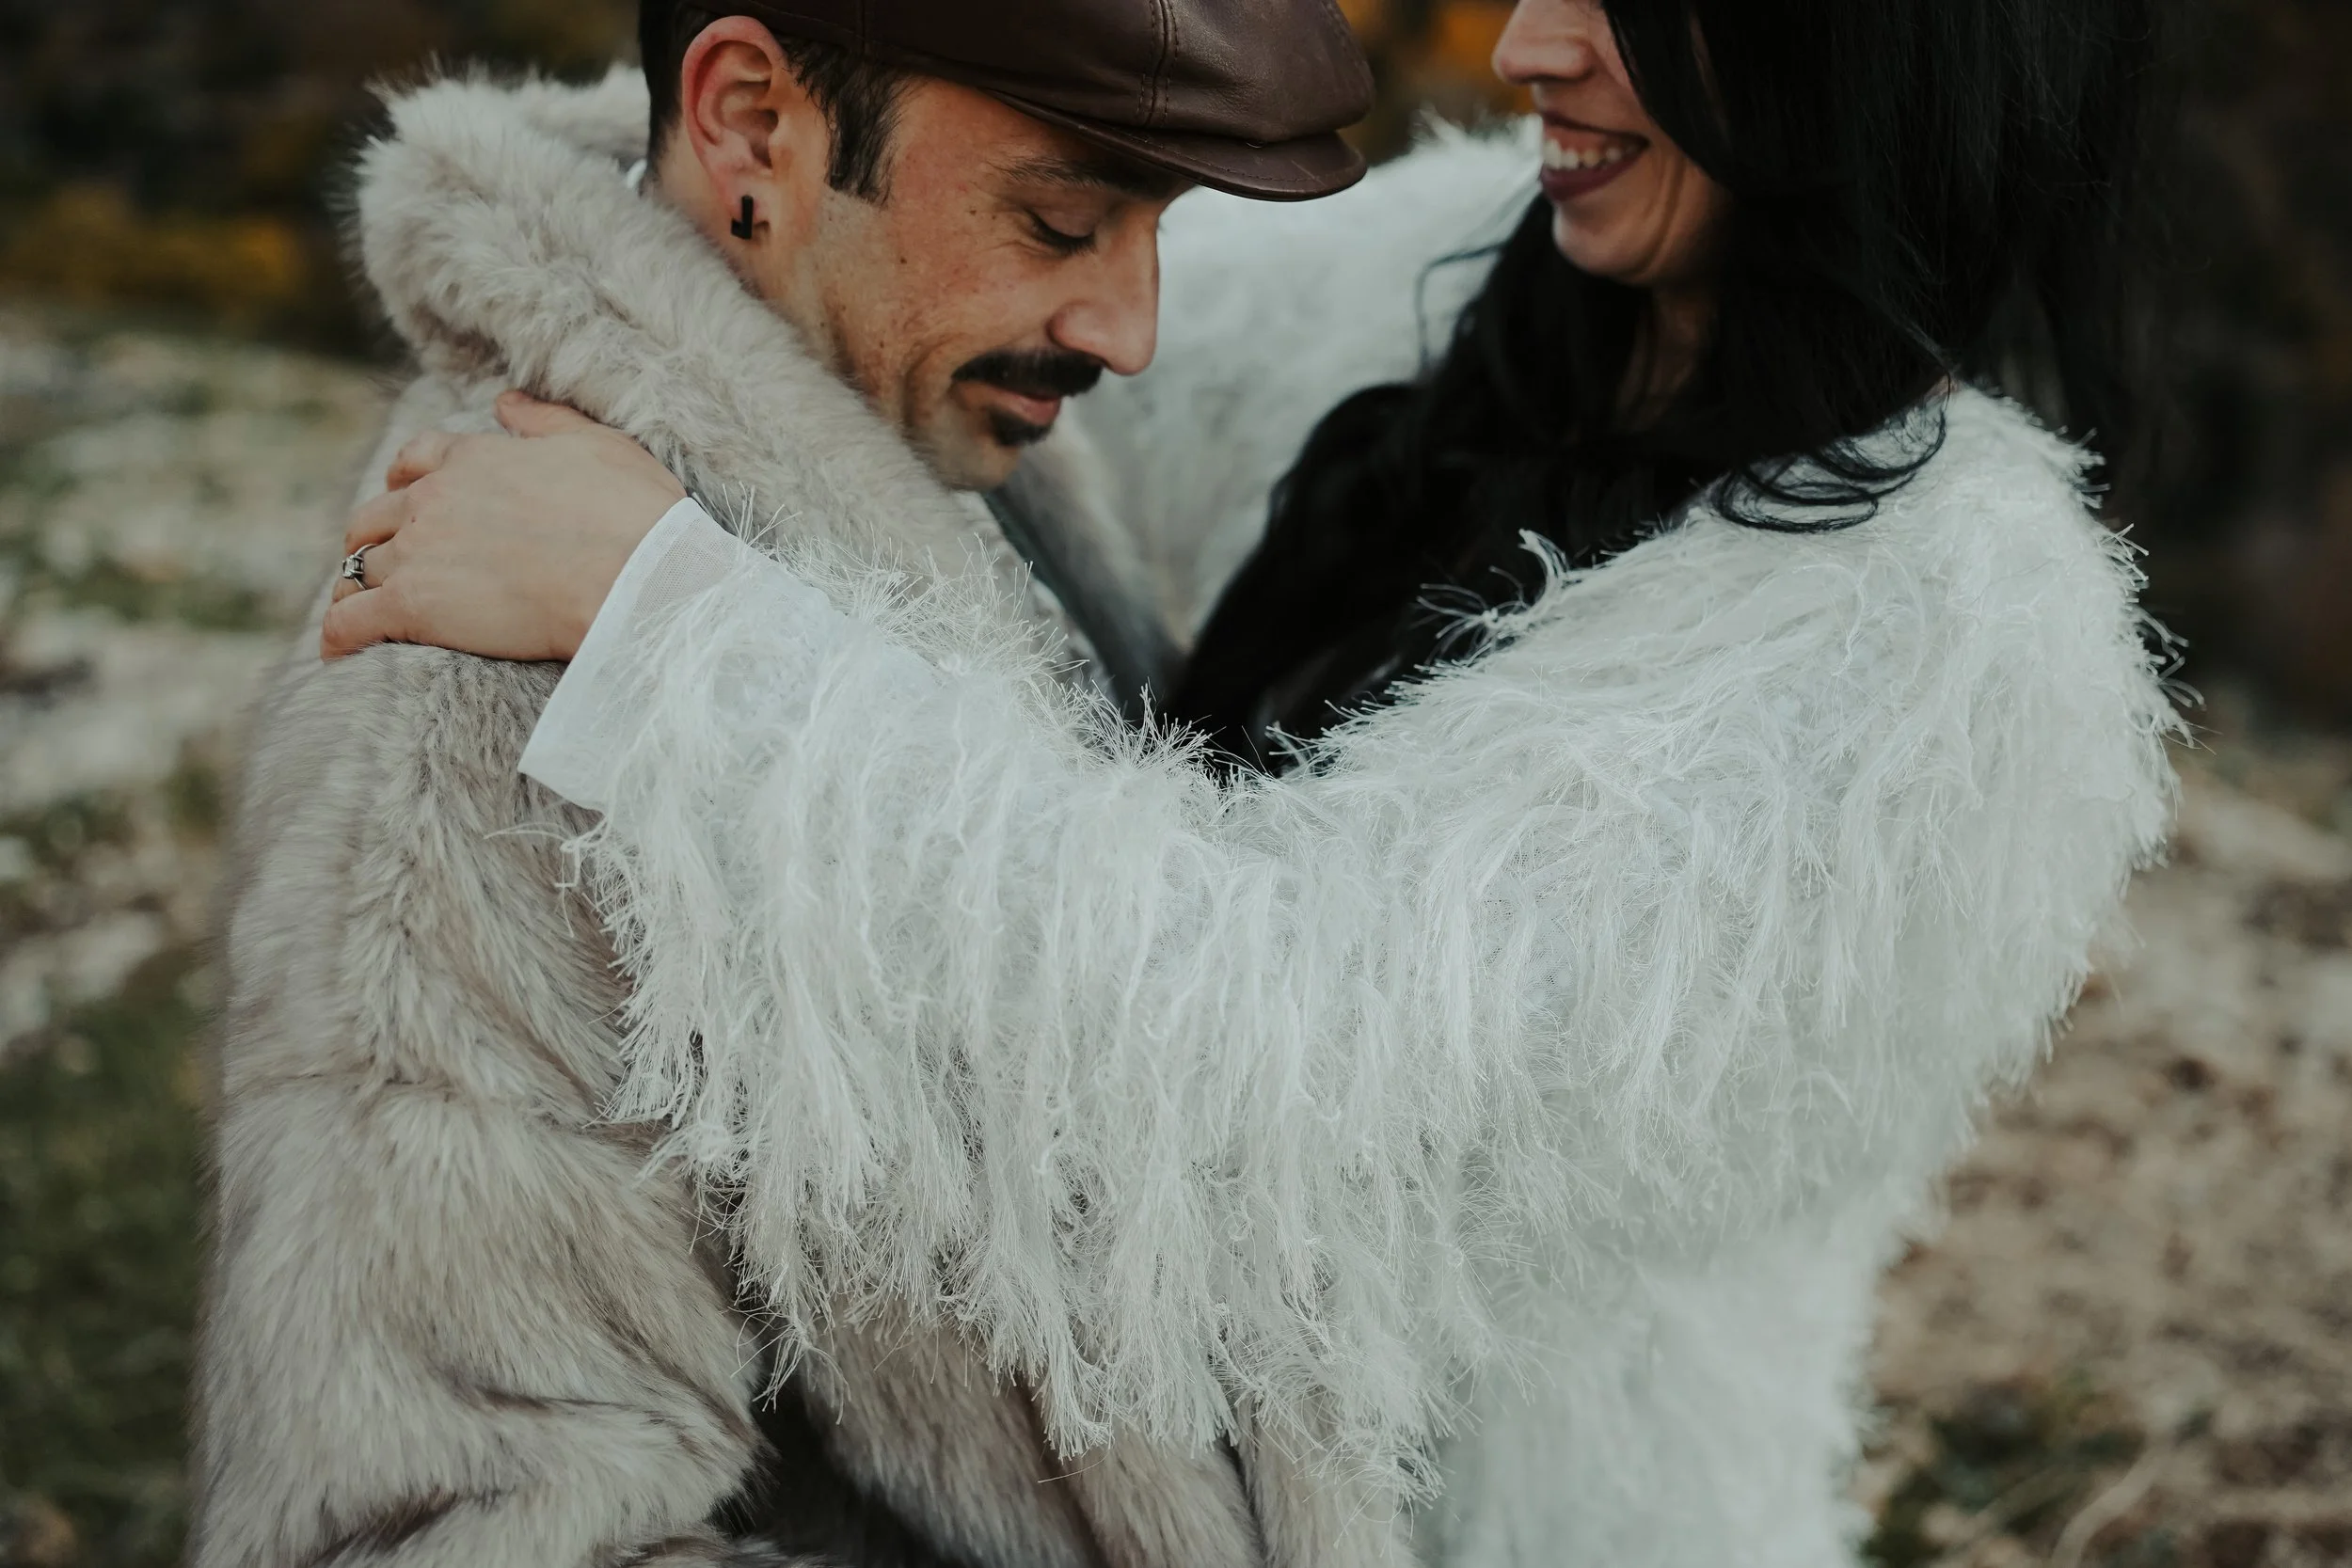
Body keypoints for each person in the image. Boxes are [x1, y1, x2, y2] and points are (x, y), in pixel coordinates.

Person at [326, 0, 2182, 1563]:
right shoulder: (1480, 278)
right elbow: (948, 232)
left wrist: (673, 635)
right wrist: (613, 237)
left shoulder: (1948, 629)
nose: (1531, 42)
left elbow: (1282, 1077)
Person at [191, 6, 1396, 1568]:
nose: (1129, 327)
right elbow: (425, 1526)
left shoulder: (933, 426)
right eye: (1065, 217)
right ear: (754, 124)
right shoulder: (466, 712)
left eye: (1156, 225)